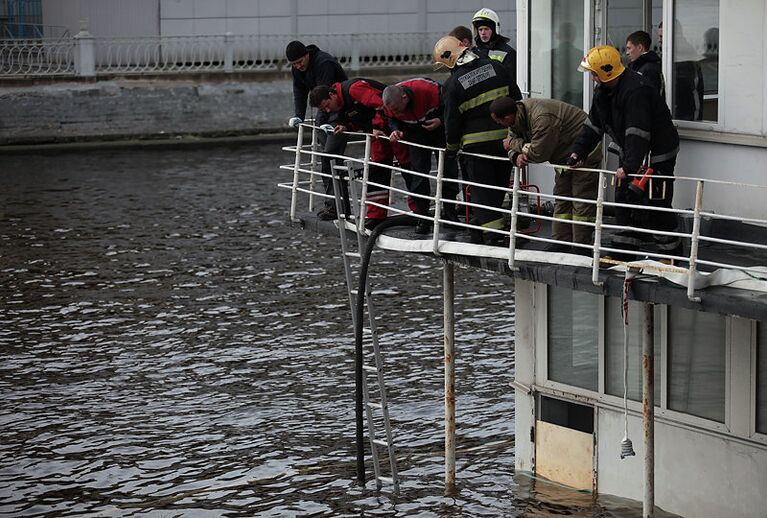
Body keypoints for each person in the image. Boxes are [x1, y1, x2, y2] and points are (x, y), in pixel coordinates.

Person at [570, 45, 682, 259]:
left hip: (656, 153)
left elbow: (638, 133)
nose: (592, 77)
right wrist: (579, 151)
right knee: (624, 199)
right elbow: (594, 124)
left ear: (605, 72)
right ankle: (624, 254)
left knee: (655, 201)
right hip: (632, 152)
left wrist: (629, 167)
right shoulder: (603, 90)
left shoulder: (636, 91)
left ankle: (671, 255)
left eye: (594, 73)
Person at [434, 35, 522, 245]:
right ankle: (488, 227)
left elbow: (452, 122)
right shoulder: (496, 67)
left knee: (482, 191)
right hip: (505, 141)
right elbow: (516, 97)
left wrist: (451, 148)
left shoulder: (452, 85)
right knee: (499, 186)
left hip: (476, 148)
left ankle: (492, 234)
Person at [489, 96, 601, 252]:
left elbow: (538, 153)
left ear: (507, 117)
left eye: (498, 121)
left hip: (585, 153)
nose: (498, 125)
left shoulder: (542, 118)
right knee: (562, 197)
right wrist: (515, 155)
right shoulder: (516, 118)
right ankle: (561, 241)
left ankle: (581, 246)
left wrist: (514, 145)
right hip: (563, 156)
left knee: (581, 200)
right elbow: (511, 144)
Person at [309, 78, 411, 229]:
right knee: (376, 172)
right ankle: (376, 216)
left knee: (409, 168)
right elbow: (359, 116)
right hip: (378, 135)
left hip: (395, 130)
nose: (329, 111)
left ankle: (419, 212)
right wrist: (347, 126)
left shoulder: (355, 89)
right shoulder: (341, 104)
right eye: (325, 110)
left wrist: (376, 125)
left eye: (328, 106)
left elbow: (383, 105)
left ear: (332, 95)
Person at [381, 79, 460, 234]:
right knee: (418, 176)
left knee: (448, 172)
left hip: (441, 132)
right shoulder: (391, 103)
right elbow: (391, 119)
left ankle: (450, 214)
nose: (397, 113)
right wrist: (396, 129)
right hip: (416, 134)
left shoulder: (429, 89)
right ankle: (423, 217)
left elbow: (453, 107)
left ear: (404, 97)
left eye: (398, 109)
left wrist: (441, 121)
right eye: (393, 110)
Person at [286, 40, 348, 221]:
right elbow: (299, 91)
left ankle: (338, 207)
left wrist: (321, 122)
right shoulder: (297, 69)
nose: (298, 66)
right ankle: (336, 206)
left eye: (300, 62)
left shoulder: (324, 63)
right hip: (325, 114)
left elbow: (324, 96)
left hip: (338, 112)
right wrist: (299, 116)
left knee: (331, 158)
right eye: (294, 64)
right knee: (328, 160)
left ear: (307, 55)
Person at [471, 7, 521, 99]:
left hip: (500, 101)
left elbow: (510, 82)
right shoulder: (473, 52)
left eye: (486, 29)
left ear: (494, 30)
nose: (483, 33)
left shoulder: (508, 52)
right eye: (480, 29)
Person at [625, 30, 664, 98]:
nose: (627, 53)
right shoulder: (639, 66)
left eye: (629, 48)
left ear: (640, 47)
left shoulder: (649, 69)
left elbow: (650, 98)